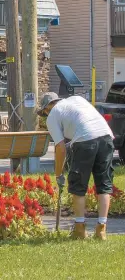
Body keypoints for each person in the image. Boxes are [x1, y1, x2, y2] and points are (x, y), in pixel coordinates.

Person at [38, 92, 115, 240]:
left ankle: (80, 230)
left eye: (45, 112)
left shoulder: (53, 115)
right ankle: (101, 230)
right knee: (104, 185)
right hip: (106, 138)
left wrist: (59, 174)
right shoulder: (77, 99)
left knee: (78, 186)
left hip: (85, 141)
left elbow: (60, 148)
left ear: (47, 107)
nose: (46, 115)